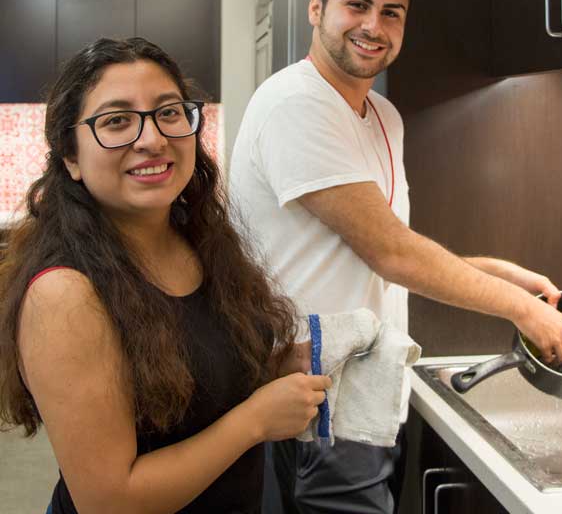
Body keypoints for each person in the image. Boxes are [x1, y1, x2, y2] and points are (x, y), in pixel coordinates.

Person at [229, 0, 562, 513]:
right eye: (357, 5)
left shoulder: (381, 116)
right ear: (316, 9)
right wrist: (521, 310)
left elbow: (380, 253)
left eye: (391, 13)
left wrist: (499, 276)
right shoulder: (296, 105)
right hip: (315, 404)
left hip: (364, 395)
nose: (374, 26)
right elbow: (393, 254)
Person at [0, 37, 331, 514]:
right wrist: (255, 422)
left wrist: (274, 368)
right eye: (116, 121)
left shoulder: (199, 242)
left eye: (169, 112)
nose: (152, 139)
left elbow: (194, 387)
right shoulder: (65, 293)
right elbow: (109, 500)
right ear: (70, 157)